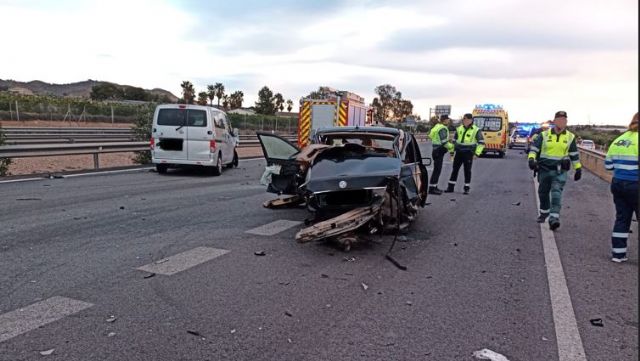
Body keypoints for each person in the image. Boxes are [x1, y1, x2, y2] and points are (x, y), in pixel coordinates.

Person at [528, 111, 582, 230]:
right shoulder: (544, 135)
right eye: (560, 119)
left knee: (556, 193)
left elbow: (574, 154)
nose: (562, 122)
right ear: (555, 121)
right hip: (544, 169)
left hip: (560, 171)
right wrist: (531, 159)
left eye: (564, 120)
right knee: (543, 192)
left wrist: (578, 168)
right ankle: (544, 213)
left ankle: (554, 219)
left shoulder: (570, 137)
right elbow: (534, 149)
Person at [604, 112, 638, 263]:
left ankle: (618, 254)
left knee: (622, 219)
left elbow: (608, 165)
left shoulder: (620, 139)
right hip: (636, 184)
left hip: (618, 183)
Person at [445, 113, 484, 195]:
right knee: (455, 170)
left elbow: (481, 143)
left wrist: (476, 154)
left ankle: (466, 188)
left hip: (468, 153)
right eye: (463, 119)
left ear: (470, 120)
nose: (464, 120)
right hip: (459, 152)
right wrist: (452, 152)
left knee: (467, 171)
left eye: (465, 119)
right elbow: (454, 141)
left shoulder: (476, 130)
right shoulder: (459, 129)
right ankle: (450, 187)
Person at [428, 114, 454, 195]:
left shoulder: (436, 126)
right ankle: (432, 189)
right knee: (437, 170)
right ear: (445, 120)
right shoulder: (442, 128)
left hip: (435, 150)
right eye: (448, 119)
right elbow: (444, 142)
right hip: (439, 150)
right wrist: (452, 146)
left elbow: (430, 136)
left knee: (437, 170)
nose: (449, 121)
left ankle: (434, 187)